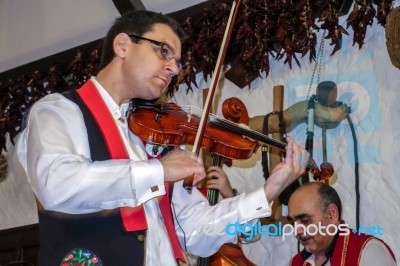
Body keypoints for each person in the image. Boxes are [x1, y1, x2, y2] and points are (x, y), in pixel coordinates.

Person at [12, 10, 309, 266]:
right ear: (123, 45)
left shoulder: (154, 138)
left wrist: (267, 193)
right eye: (163, 51)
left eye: (178, 62)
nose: (174, 68)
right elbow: (57, 183)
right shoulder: (59, 110)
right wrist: (160, 171)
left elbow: (196, 232)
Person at [287, 182, 396, 266]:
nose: (297, 231)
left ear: (331, 214)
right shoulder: (297, 262)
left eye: (305, 220)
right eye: (293, 223)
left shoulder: (368, 251)